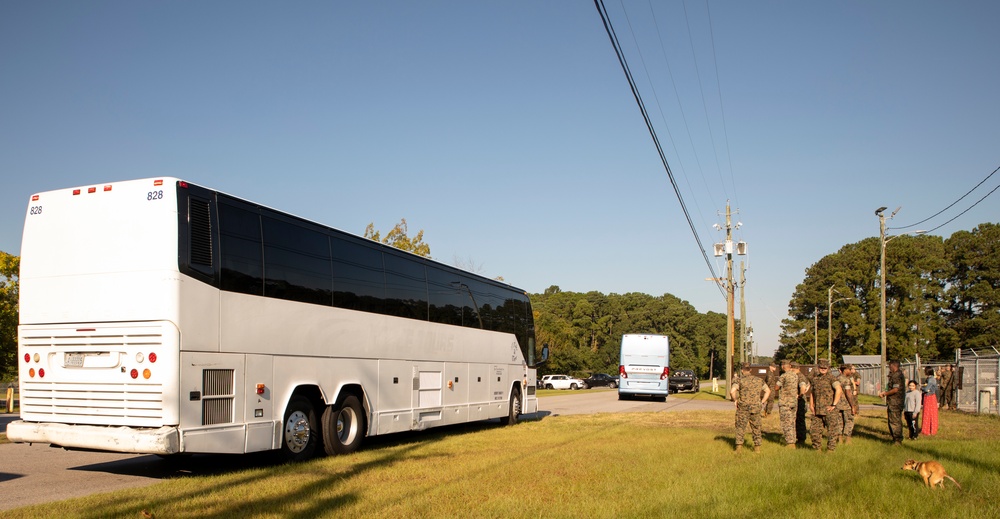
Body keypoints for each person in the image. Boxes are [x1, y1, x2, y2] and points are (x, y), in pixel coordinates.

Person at [730, 363, 770, 452]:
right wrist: (762, 402)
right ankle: (757, 448)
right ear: (750, 370)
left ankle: (738, 448)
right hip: (756, 407)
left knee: (740, 427)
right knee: (756, 428)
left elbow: (732, 391)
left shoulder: (739, 380)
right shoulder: (759, 380)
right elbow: (768, 391)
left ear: (742, 370)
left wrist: (735, 400)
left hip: (743, 407)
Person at [808, 359, 844, 451]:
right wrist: (811, 404)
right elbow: (812, 392)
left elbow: (839, 390)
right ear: (818, 368)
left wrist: (834, 405)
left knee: (832, 431)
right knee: (814, 431)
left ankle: (830, 450)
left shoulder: (832, 378)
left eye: (825, 367)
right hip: (817, 410)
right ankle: (817, 449)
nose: (823, 369)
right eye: (821, 367)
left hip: (829, 410)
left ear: (828, 368)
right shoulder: (815, 379)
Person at [775, 360, 807, 448]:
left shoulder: (784, 376)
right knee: (793, 422)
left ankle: (791, 443)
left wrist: (800, 395)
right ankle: (795, 440)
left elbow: (776, 387)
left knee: (787, 422)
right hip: (795, 402)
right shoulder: (797, 376)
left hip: (787, 402)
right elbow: (804, 386)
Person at [878, 360, 906, 445]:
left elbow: (895, 389)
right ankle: (895, 438)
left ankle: (897, 440)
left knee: (895, 421)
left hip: (896, 402)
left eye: (889, 366)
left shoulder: (897, 376)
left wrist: (885, 394)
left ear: (894, 366)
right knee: (892, 420)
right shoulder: (894, 375)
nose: (889, 367)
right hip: (893, 402)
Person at [837, 364, 858, 444]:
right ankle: (848, 440)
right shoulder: (846, 380)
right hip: (846, 404)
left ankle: (840, 439)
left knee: (839, 422)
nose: (851, 371)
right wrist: (852, 406)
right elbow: (848, 393)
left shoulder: (836, 378)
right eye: (850, 369)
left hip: (837, 404)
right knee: (849, 421)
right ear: (845, 370)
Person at [795, 364, 811, 445]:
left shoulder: (800, 376)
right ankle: (799, 438)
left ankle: (801, 439)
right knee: (798, 420)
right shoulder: (801, 376)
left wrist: (800, 395)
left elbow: (803, 387)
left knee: (800, 420)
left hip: (800, 401)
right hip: (800, 400)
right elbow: (808, 384)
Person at [921, 367, 939, 436]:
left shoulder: (931, 379)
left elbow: (926, 389)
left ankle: (928, 430)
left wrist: (922, 388)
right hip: (929, 396)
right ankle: (928, 429)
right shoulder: (930, 379)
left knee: (928, 413)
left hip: (929, 397)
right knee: (929, 412)